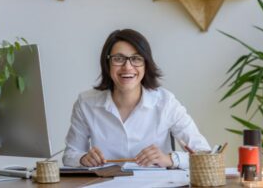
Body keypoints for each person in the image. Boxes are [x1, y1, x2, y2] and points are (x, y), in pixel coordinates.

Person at [63, 29, 210, 169]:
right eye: (118, 59)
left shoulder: (166, 102)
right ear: (107, 64)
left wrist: (170, 159)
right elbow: (70, 155)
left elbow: (205, 154)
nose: (127, 67)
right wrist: (83, 159)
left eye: (136, 58)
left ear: (146, 64)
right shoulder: (86, 103)